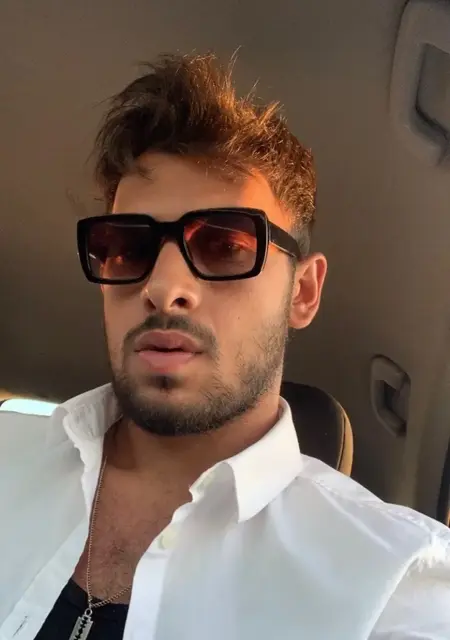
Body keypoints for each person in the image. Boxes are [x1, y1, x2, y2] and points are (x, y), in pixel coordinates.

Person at [1, 53, 449, 640]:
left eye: (225, 245)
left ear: (303, 292)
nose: (163, 286)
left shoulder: (394, 582)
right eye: (128, 247)